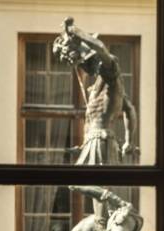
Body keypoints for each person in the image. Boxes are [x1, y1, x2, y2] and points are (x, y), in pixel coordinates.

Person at [52, 17, 138, 164]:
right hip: (95, 142)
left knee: (74, 185)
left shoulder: (110, 72)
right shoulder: (104, 85)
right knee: (76, 185)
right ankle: (103, 188)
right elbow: (128, 108)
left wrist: (76, 32)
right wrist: (83, 147)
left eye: (83, 63)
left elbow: (101, 47)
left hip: (101, 140)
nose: (83, 68)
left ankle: (103, 189)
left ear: (90, 56)